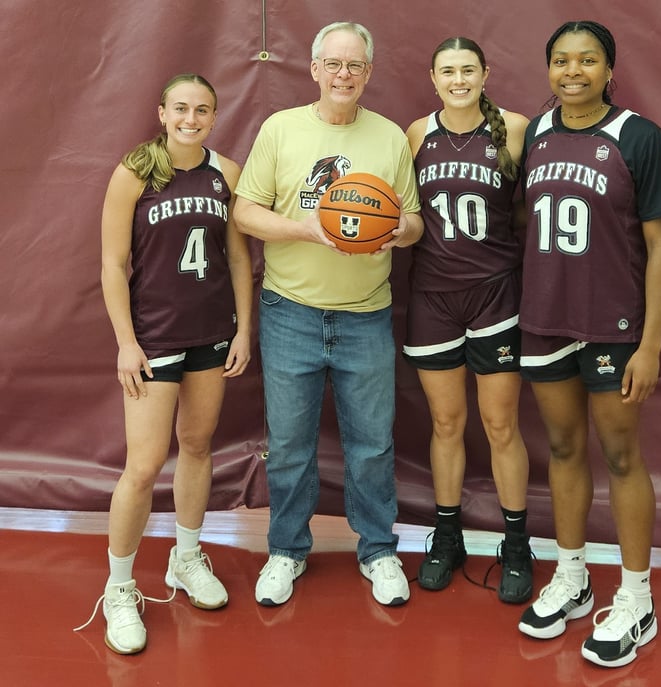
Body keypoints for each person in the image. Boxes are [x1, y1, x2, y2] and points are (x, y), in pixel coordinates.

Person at [233, 21, 423, 607]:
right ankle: (286, 550)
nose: (344, 74)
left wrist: (389, 233)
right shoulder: (281, 129)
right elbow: (244, 213)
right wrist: (307, 230)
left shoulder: (389, 136)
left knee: (372, 444)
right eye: (334, 64)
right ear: (314, 69)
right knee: (289, 445)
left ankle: (378, 550)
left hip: (366, 315)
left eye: (356, 65)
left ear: (368, 72)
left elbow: (414, 221)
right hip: (290, 311)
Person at [515, 21, 661, 668]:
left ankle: (636, 595)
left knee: (619, 454)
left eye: (588, 60)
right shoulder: (534, 132)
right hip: (544, 318)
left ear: (610, 69)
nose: (573, 70)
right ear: (548, 68)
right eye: (561, 60)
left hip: (613, 327)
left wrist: (651, 343)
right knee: (560, 446)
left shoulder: (638, 135)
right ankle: (573, 574)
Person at [76, 73, 253, 654]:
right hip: (154, 338)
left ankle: (185, 555)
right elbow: (111, 263)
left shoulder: (225, 173)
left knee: (198, 446)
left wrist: (243, 331)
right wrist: (125, 341)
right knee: (144, 465)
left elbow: (236, 257)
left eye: (202, 109)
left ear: (214, 115)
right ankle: (120, 587)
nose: (191, 118)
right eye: (181, 108)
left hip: (210, 335)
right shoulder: (135, 172)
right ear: (161, 111)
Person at [402, 37, 533, 603]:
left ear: (486, 73)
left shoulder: (517, 127)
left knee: (501, 425)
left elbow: (530, 211)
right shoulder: (416, 133)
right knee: (447, 424)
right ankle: (448, 534)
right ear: (432, 78)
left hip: (496, 296)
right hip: (432, 296)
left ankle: (516, 542)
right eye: (448, 71)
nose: (459, 80)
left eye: (468, 70)